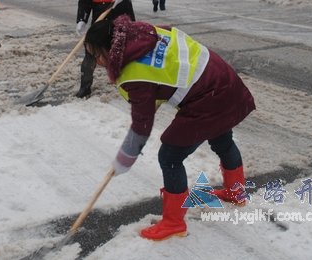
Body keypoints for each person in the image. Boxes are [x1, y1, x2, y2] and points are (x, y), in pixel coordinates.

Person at [83, 15, 256, 241]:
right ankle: (236, 193)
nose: (95, 61)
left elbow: (142, 126)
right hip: (223, 80)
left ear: (109, 48)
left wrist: (124, 159)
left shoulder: (134, 73)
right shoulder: (142, 34)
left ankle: (174, 223)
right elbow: (161, 76)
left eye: (96, 54)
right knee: (221, 138)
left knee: (170, 156)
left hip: (209, 96)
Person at [75, 0, 144, 98]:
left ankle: (135, 82)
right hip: (99, 12)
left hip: (120, 8)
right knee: (91, 47)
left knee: (128, 46)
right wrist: (82, 19)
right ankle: (85, 87)